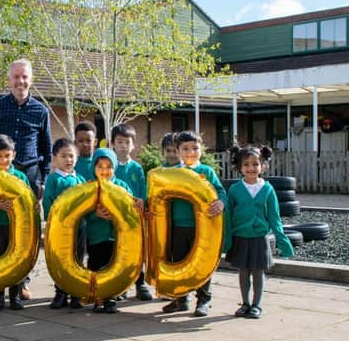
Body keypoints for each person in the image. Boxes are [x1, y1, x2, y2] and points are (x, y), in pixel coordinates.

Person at [0, 58, 51, 300]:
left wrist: (43, 180)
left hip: (29, 175)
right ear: (9, 80)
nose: (20, 81)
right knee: (0, 229)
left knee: (26, 231)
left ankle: (22, 281)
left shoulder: (41, 111)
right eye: (16, 77)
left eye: (25, 77)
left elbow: (47, 148)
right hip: (2, 175)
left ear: (31, 79)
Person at [163, 130, 227, 317]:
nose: (190, 152)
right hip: (178, 226)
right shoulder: (173, 172)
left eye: (195, 148)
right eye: (185, 148)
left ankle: (203, 300)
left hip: (202, 228)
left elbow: (220, 191)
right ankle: (181, 299)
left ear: (202, 149)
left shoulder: (206, 171)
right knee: (179, 263)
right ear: (178, 151)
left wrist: (221, 202)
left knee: (202, 265)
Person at [225, 146, 293, 319]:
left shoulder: (268, 190)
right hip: (240, 237)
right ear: (239, 167)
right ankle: (245, 304)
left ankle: (256, 305)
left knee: (258, 272)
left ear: (263, 166)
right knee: (243, 272)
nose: (251, 168)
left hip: (259, 238)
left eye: (255, 164)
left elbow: (274, 217)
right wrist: (226, 241)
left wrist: (283, 241)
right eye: (246, 164)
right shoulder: (234, 190)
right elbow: (228, 217)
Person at [0, 134, 33, 311]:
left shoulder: (21, 176)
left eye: (7, 155)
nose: (3, 160)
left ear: (13, 154)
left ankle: (15, 297)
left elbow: (28, 199)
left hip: (16, 227)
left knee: (16, 259)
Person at [86, 148, 134, 314]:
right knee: (96, 265)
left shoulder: (122, 186)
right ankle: (98, 297)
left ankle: (110, 299)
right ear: (94, 167)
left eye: (108, 166)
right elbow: (82, 212)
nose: (104, 170)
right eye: (100, 166)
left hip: (115, 236)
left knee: (112, 266)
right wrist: (95, 213)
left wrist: (117, 215)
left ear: (114, 168)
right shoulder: (90, 187)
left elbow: (130, 209)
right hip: (96, 236)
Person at [110, 123, 153, 301]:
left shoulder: (136, 168)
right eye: (119, 142)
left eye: (127, 142)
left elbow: (142, 189)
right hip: (116, 218)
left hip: (135, 218)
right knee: (120, 252)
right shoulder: (110, 167)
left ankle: (140, 283)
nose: (123, 146)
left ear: (133, 145)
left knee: (137, 252)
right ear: (112, 144)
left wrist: (143, 200)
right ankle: (122, 286)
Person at [42, 138, 86, 310]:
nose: (68, 160)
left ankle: (76, 293)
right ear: (55, 158)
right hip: (60, 229)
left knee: (78, 259)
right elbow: (48, 203)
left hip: (80, 227)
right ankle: (60, 292)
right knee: (61, 260)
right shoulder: (53, 180)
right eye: (63, 156)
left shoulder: (81, 180)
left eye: (72, 156)